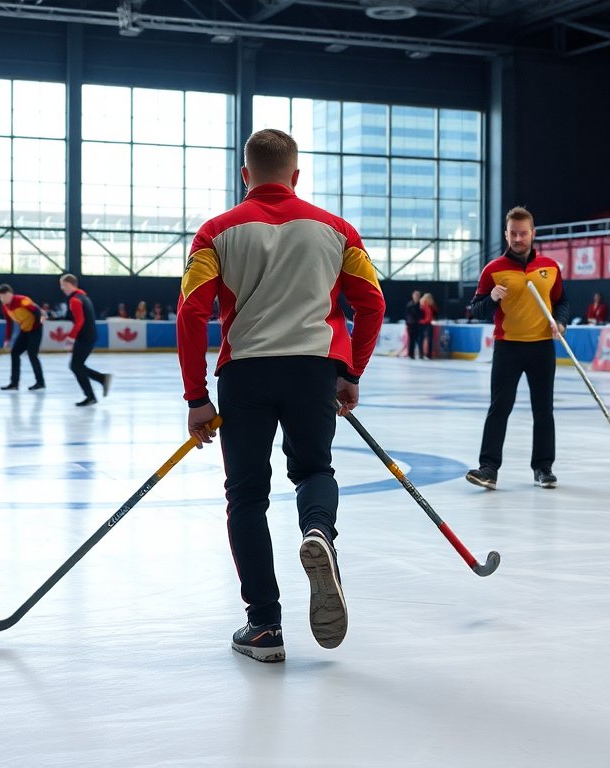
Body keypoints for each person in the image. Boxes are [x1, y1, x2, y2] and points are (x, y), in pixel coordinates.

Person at [178, 128, 385, 663]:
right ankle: (318, 530)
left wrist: (196, 397)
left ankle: (265, 626)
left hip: (245, 374)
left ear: (244, 175)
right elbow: (374, 304)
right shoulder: (338, 231)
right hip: (314, 369)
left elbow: (191, 313)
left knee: (246, 496)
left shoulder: (214, 234)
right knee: (314, 471)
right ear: (296, 176)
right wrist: (351, 370)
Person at [465, 206, 569, 492]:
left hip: (541, 347)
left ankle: (543, 468)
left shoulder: (549, 267)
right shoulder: (493, 269)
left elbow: (562, 302)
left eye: (523, 233)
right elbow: (475, 310)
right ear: (506, 234)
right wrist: (492, 299)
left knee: (543, 409)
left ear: (533, 234)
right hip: (507, 347)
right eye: (513, 233)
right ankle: (488, 469)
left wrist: (560, 324)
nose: (518, 238)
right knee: (499, 408)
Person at [59, 274, 111, 407]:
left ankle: (92, 394)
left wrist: (70, 338)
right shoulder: (83, 297)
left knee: (76, 366)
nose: (62, 288)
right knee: (77, 366)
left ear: (70, 284)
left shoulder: (75, 300)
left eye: (63, 285)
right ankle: (101, 379)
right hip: (88, 336)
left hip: (85, 337)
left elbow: (80, 321)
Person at [0, 283, 46, 392]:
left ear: (10, 294)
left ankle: (40, 382)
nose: (2, 299)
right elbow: (9, 324)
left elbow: (38, 311)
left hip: (36, 329)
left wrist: (37, 325)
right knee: (14, 353)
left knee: (32, 355)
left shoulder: (23, 300)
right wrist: (7, 340)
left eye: (4, 296)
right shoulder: (5, 307)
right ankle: (14, 383)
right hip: (25, 330)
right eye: (0, 297)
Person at [403, 289, 423, 359]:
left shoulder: (421, 305)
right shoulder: (409, 305)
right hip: (411, 325)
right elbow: (407, 315)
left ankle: (421, 354)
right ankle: (411, 354)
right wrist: (409, 322)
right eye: (415, 295)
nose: (416, 297)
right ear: (413, 296)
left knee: (420, 340)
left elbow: (422, 314)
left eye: (417, 295)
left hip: (419, 325)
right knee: (411, 340)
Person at [419, 292, 438, 359]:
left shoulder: (431, 306)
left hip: (429, 323)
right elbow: (419, 314)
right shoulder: (421, 306)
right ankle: (421, 354)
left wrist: (433, 305)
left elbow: (435, 313)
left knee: (430, 339)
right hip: (422, 323)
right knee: (421, 339)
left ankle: (428, 354)